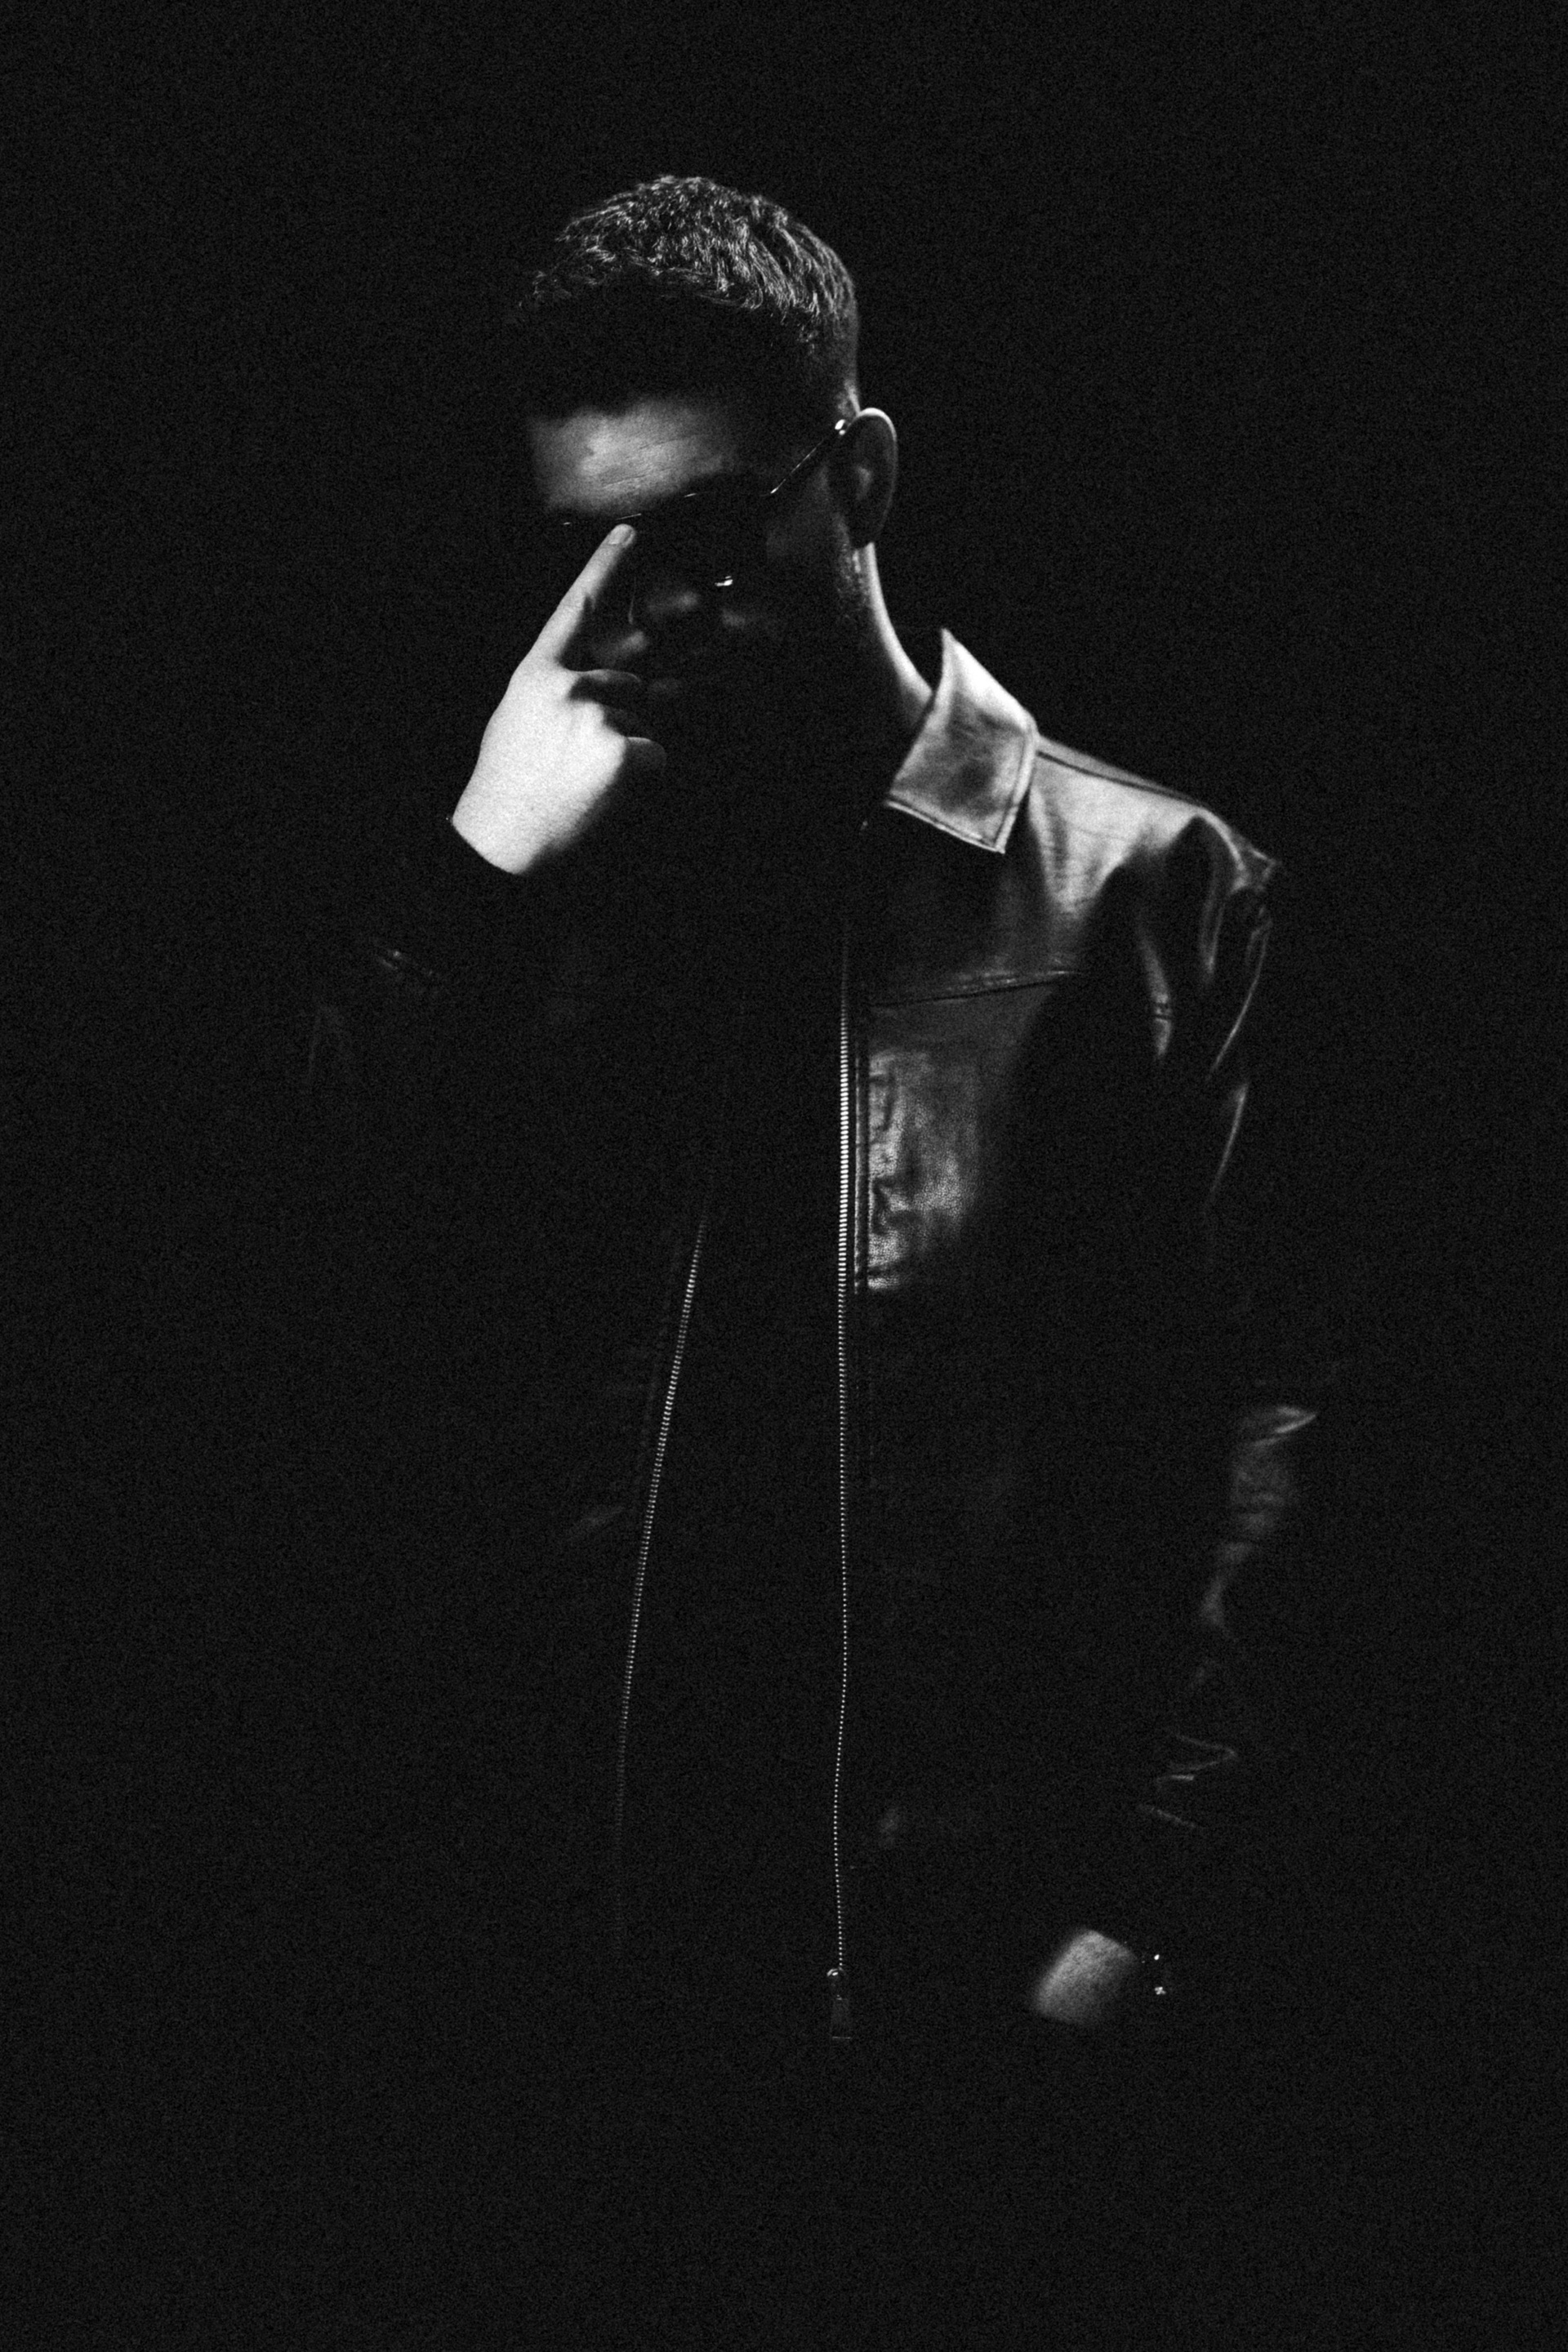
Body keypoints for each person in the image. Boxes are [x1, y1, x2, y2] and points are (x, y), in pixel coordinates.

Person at [289, 175, 1325, 2345]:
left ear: (858, 480)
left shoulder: (1160, 899)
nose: (644, 609)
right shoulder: (545, 902)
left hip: (976, 2012)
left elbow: (1296, 1442)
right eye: (586, 551)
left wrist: (1142, 1924)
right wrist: (478, 872)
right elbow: (287, 1343)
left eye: (702, 531)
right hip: (588, 2030)